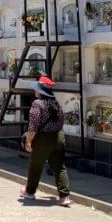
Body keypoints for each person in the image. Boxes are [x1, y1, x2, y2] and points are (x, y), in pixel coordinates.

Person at [20, 76, 71, 207]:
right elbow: (61, 122)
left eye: (36, 89)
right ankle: (64, 197)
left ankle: (29, 192)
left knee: (35, 166)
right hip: (58, 138)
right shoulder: (56, 104)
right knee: (59, 167)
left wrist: (28, 141)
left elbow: (33, 126)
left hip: (43, 139)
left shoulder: (37, 104)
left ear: (40, 92)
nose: (35, 91)